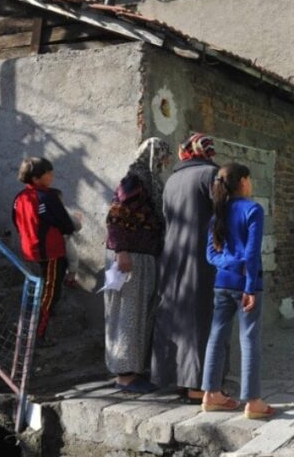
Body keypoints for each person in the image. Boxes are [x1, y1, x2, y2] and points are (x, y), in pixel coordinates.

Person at [201, 163, 275, 419]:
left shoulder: (217, 214)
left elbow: (211, 255)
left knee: (216, 337)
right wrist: (250, 284)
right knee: (249, 340)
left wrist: (231, 264)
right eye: (250, 179)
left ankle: (211, 394)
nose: (251, 184)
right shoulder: (253, 209)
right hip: (247, 285)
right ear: (243, 181)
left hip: (222, 283)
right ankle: (253, 402)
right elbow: (252, 253)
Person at [151, 133, 219, 403]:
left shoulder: (172, 180)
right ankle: (198, 386)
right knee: (200, 318)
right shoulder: (211, 175)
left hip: (172, 258)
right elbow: (223, 215)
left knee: (174, 317)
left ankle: (176, 378)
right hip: (201, 257)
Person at [104, 138, 171, 394]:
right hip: (129, 256)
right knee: (128, 315)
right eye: (163, 157)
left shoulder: (149, 183)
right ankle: (125, 376)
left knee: (140, 314)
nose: (165, 163)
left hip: (143, 255)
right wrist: (121, 250)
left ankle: (132, 371)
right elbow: (116, 216)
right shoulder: (134, 182)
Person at [12, 157, 78, 343]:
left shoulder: (19, 198)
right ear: (36, 179)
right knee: (50, 292)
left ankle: (31, 327)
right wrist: (69, 229)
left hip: (31, 251)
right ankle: (37, 334)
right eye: (48, 173)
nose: (52, 176)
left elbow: (16, 222)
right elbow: (65, 223)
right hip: (51, 251)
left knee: (44, 288)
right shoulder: (47, 197)